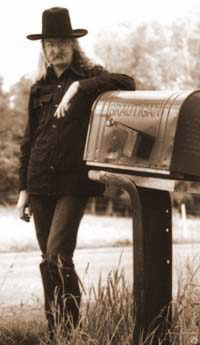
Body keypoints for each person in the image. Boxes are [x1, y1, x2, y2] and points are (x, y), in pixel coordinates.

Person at [16, 6, 135, 340]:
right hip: (39, 181)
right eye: (50, 43)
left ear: (74, 45)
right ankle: (58, 331)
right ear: (43, 48)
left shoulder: (90, 78)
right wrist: (24, 189)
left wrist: (79, 88)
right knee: (47, 258)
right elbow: (29, 139)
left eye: (63, 42)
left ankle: (71, 329)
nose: (56, 49)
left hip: (73, 182)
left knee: (58, 254)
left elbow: (127, 81)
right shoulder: (37, 88)